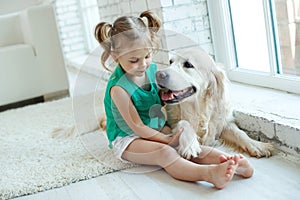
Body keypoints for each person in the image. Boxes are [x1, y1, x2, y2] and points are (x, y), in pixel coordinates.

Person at [94, 10, 254, 189]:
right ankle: (208, 174)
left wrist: (172, 127)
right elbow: (137, 127)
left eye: (147, 56)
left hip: (154, 126)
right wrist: (166, 140)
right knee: (165, 153)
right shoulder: (119, 89)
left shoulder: (151, 70)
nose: (143, 64)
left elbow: (158, 99)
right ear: (116, 56)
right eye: (134, 60)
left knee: (186, 143)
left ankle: (229, 161)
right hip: (128, 139)